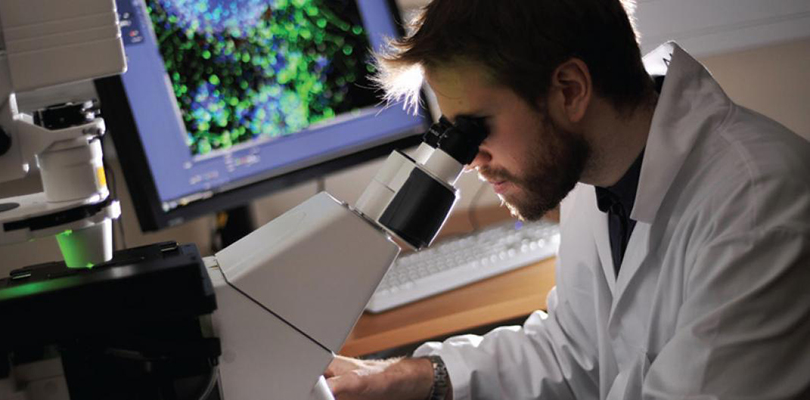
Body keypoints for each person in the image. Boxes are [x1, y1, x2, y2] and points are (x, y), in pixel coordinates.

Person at [324, 0, 810, 399]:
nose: (470, 161)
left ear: (570, 90)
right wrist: (405, 378)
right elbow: (575, 350)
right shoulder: (594, 166)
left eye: (476, 128)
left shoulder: (757, 210)